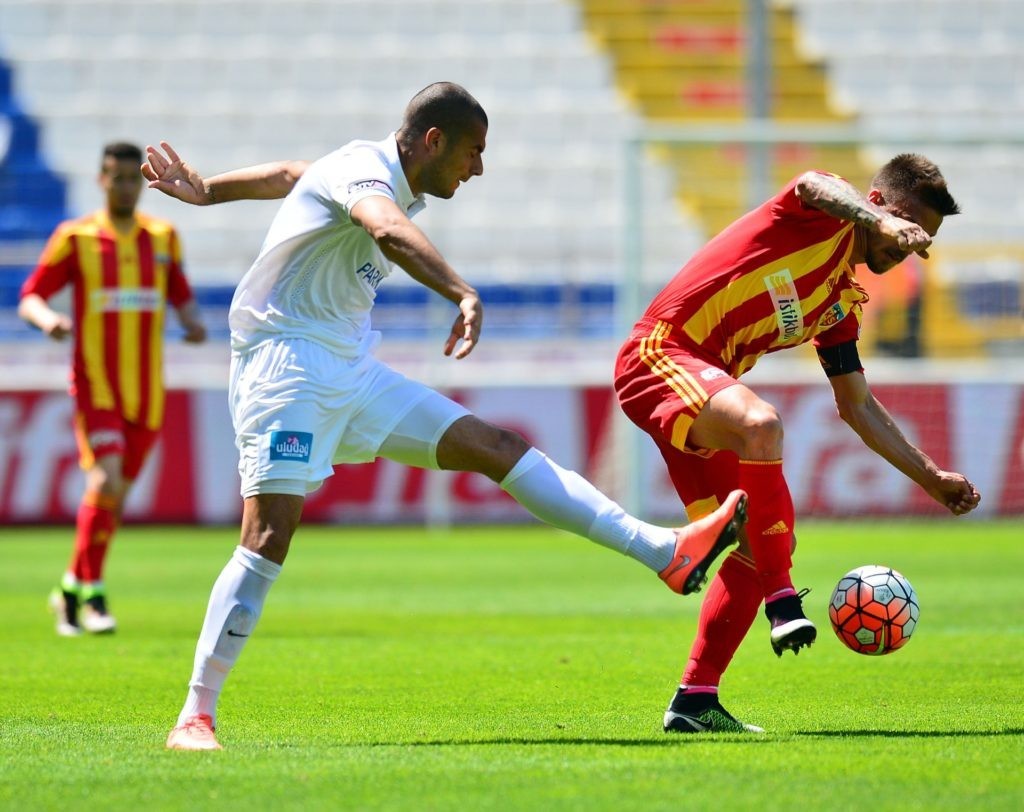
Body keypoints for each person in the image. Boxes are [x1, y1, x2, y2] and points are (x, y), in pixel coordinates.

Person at [140, 82, 748, 751]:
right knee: (267, 536)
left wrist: (210, 190)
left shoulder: (365, 171)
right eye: (472, 151)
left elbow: (292, 174)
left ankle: (662, 551)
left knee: (495, 446)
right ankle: (194, 715)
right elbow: (385, 229)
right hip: (285, 366)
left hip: (349, 366)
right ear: (433, 141)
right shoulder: (366, 175)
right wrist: (460, 292)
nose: (478, 168)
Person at [614, 154, 982, 733]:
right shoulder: (821, 211)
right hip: (660, 355)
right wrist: (881, 222)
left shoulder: (839, 303)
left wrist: (931, 478)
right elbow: (812, 184)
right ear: (877, 204)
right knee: (762, 425)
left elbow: (857, 406)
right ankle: (782, 600)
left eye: (921, 240)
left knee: (757, 543)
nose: (908, 245)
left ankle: (695, 701)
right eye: (908, 226)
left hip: (703, 388)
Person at [18, 141, 207, 636]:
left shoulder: (163, 238)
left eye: (131, 179)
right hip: (96, 385)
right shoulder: (76, 237)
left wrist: (193, 323)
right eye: (115, 177)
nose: (124, 186)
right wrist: (48, 320)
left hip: (146, 393)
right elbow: (31, 295)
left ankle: (68, 588)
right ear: (101, 180)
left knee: (114, 497)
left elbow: (181, 295)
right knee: (105, 482)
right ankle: (95, 596)